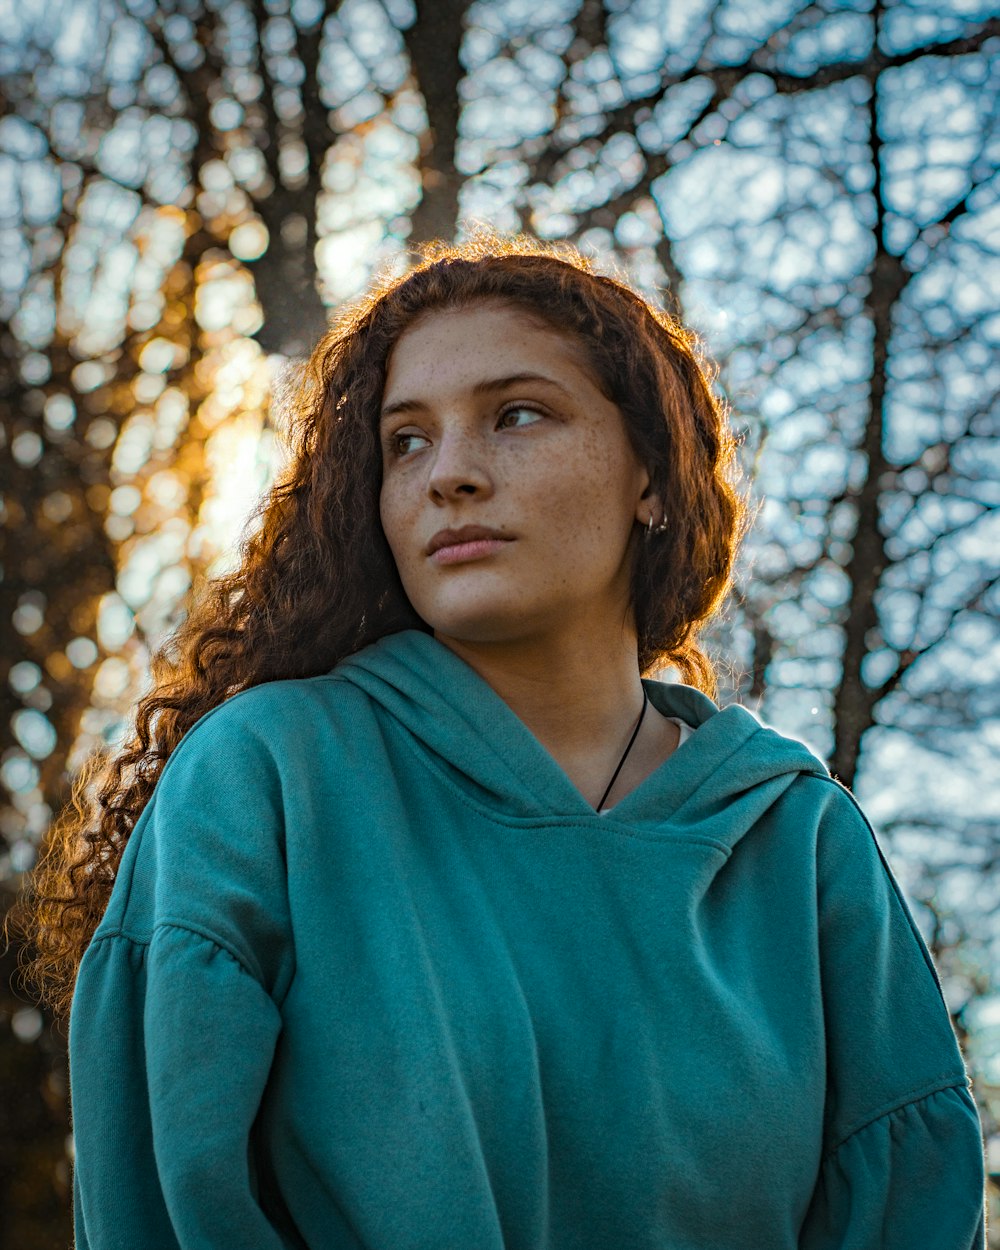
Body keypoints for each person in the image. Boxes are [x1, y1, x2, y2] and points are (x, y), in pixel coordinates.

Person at [21, 231, 986, 1248]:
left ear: (650, 476)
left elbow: (909, 1205)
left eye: (516, 414)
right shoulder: (268, 776)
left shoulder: (798, 837)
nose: (450, 474)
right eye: (406, 440)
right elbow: (161, 1204)